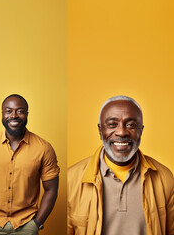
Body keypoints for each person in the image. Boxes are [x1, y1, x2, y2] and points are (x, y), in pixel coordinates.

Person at [67, 95, 174, 235]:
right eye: (112, 124)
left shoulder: (165, 177)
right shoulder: (71, 179)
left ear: (141, 130)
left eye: (131, 125)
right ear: (100, 131)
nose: (122, 132)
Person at [0, 94, 59, 235]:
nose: (14, 115)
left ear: (27, 114)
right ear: (2, 114)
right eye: (8, 111)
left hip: (26, 224)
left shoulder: (44, 148)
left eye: (20, 111)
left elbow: (52, 189)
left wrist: (37, 224)